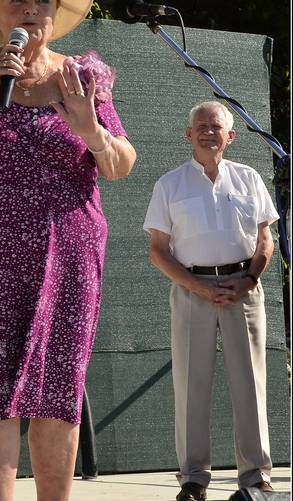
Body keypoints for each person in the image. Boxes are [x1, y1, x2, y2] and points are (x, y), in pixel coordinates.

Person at [0, 1, 137, 500]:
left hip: (67, 258)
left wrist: (91, 130)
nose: (31, 7)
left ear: (56, 11)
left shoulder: (84, 76)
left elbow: (121, 164)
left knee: (58, 391)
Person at [143, 101, 279, 500]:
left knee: (250, 383)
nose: (207, 131)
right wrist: (199, 287)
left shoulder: (250, 178)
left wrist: (250, 278)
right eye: (200, 125)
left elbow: (265, 240)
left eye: (215, 126)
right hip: (191, 288)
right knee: (191, 384)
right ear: (188, 134)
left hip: (243, 287)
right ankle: (193, 479)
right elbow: (158, 251)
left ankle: (256, 477)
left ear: (230, 136)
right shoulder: (170, 184)